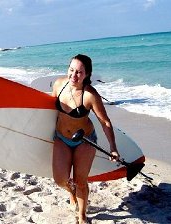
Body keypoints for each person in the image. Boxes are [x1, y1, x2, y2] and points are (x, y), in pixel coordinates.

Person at [52, 54, 120, 223]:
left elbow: (105, 122)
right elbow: (47, 109)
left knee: (80, 181)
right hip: (61, 138)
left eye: (80, 72)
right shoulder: (59, 85)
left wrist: (113, 148)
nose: (74, 75)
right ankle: (71, 193)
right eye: (72, 70)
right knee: (60, 179)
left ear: (87, 75)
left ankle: (82, 215)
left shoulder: (90, 95)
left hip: (85, 140)